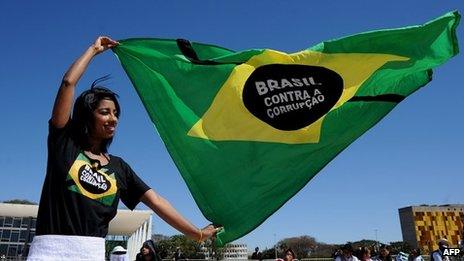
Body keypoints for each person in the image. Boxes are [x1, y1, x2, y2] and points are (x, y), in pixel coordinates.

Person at [27, 36, 218, 260]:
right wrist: (93, 50)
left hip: (93, 254)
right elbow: (68, 83)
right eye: (105, 112)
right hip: (49, 251)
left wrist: (196, 233)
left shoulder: (119, 167)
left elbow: (156, 201)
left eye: (116, 113)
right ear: (87, 117)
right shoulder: (64, 144)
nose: (113, 119)